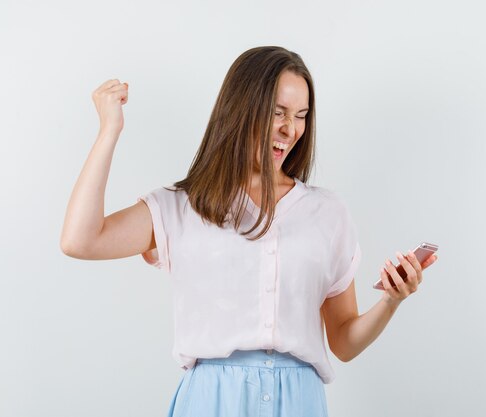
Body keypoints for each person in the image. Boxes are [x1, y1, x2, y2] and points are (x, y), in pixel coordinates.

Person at [60, 46, 438, 417]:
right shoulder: (182, 204)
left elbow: (343, 341)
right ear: (242, 109)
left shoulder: (328, 212)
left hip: (300, 400)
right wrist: (110, 130)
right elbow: (80, 240)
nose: (290, 130)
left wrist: (392, 300)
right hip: (212, 399)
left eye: (301, 116)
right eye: (278, 112)